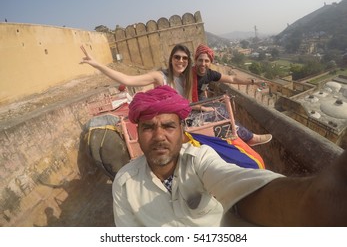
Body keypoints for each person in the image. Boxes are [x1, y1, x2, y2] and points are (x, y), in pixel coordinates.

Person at [113, 85, 347, 227]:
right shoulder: (125, 184)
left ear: (182, 131)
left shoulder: (200, 159)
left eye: (168, 126)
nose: (159, 136)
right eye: (148, 128)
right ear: (139, 133)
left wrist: (311, 201)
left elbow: (240, 184)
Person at [80, 44, 270, 146]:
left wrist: (201, 106)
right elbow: (127, 79)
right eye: (177, 57)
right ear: (171, 59)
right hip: (172, 124)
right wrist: (96, 64)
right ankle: (249, 136)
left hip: (185, 117)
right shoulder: (160, 76)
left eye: (184, 58)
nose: (180, 61)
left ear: (188, 62)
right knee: (219, 112)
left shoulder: (187, 80)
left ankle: (243, 137)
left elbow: (186, 104)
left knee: (218, 108)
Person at [192, 44, 272, 146]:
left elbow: (232, 79)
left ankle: (238, 134)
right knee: (219, 111)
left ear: (210, 62)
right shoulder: (188, 74)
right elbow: (181, 100)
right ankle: (249, 137)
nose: (203, 64)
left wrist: (254, 81)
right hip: (190, 108)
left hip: (200, 101)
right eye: (200, 60)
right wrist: (203, 108)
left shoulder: (210, 74)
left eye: (206, 61)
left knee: (222, 107)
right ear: (195, 60)